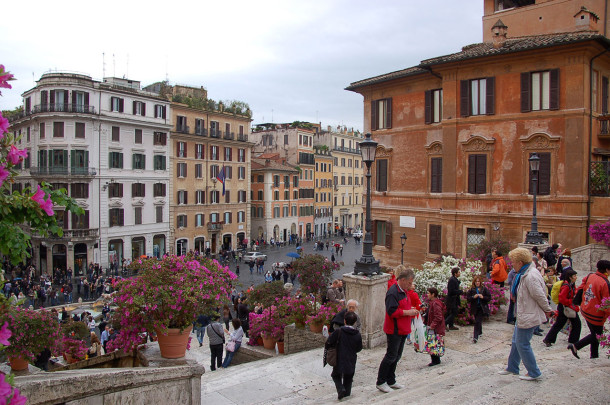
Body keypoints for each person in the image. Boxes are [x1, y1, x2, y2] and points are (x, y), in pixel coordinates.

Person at [499, 248, 552, 381]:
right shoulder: (525, 273)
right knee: (516, 341)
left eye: (513, 262)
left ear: (520, 262)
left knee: (522, 343)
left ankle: (534, 372)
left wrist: (548, 310)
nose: (512, 265)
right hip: (524, 313)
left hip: (529, 313)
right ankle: (512, 367)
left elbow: (540, 295)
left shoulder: (530, 276)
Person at [376, 269, 419, 393]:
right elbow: (392, 311)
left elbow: (402, 307)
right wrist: (408, 312)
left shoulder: (404, 291)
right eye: (409, 283)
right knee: (391, 356)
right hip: (394, 329)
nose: (411, 285)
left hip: (403, 329)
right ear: (403, 280)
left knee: (397, 356)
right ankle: (381, 381)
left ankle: (391, 380)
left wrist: (409, 309)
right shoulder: (393, 292)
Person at [569, 260, 610, 359]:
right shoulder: (604, 283)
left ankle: (594, 355)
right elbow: (606, 303)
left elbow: (580, 288)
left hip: (585, 309)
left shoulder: (590, 276)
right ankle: (575, 346)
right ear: (607, 270)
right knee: (597, 334)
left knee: (594, 333)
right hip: (596, 314)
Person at [326, 311, 363, 400]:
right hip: (351, 359)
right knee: (348, 378)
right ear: (354, 322)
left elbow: (329, 341)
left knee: (335, 375)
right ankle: (346, 395)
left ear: (344, 321)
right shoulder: (357, 334)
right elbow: (359, 348)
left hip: (339, 358)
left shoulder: (339, 331)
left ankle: (340, 389)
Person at [543, 268, 581, 347]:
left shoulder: (570, 284)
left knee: (561, 324)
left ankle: (549, 339)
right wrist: (571, 302)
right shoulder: (566, 286)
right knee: (575, 323)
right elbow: (562, 298)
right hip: (565, 307)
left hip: (566, 307)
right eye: (574, 276)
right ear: (570, 277)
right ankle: (573, 340)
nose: (576, 277)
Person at [425, 287, 446, 366]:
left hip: (435, 328)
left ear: (433, 294)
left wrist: (432, 325)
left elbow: (438, 316)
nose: (427, 295)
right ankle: (435, 359)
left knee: (433, 343)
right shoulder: (433, 302)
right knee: (433, 343)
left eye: (428, 293)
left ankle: (435, 360)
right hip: (434, 327)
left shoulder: (435, 303)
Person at [466, 275, 491, 343]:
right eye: (476, 281)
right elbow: (468, 298)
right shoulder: (472, 290)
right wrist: (473, 297)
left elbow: (489, 297)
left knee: (477, 321)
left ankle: (475, 337)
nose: (477, 283)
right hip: (475, 308)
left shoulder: (484, 289)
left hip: (481, 308)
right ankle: (479, 332)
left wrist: (483, 297)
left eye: (478, 281)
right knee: (478, 321)